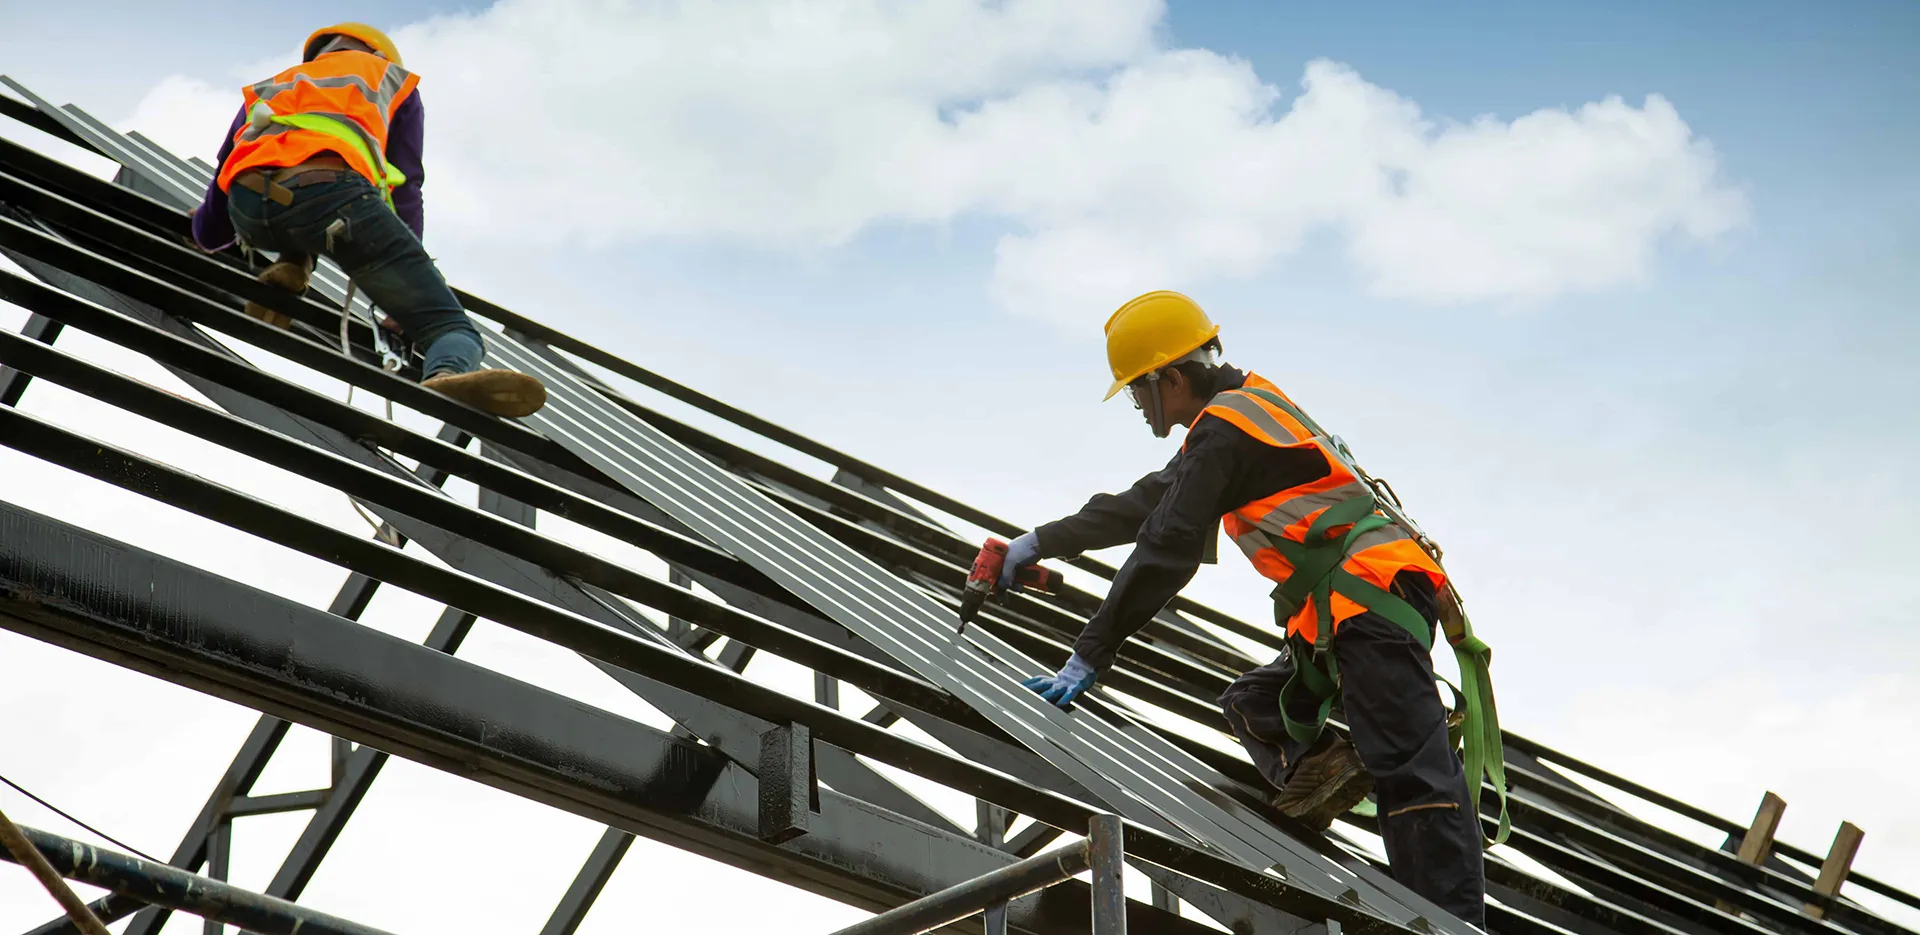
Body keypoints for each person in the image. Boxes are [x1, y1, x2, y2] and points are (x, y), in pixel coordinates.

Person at [1010, 290, 1487, 928]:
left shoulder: (1226, 432)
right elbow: (1144, 504)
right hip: (1350, 614)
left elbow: (1166, 546)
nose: (1136, 406)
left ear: (1170, 379)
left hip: (1369, 605)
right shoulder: (1242, 413)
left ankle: (1450, 925)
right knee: (1255, 704)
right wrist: (1042, 541)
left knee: (1413, 778)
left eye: (1136, 391)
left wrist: (1090, 654)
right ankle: (1322, 766)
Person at [188, 23, 546, 418]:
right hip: (330, 197)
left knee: (305, 220)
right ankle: (444, 373)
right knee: (450, 325)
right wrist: (410, 272)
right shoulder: (390, 79)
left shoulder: (272, 86)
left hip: (250, 212)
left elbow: (216, 211)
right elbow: (407, 184)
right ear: (380, 55)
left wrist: (203, 228)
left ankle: (292, 266)